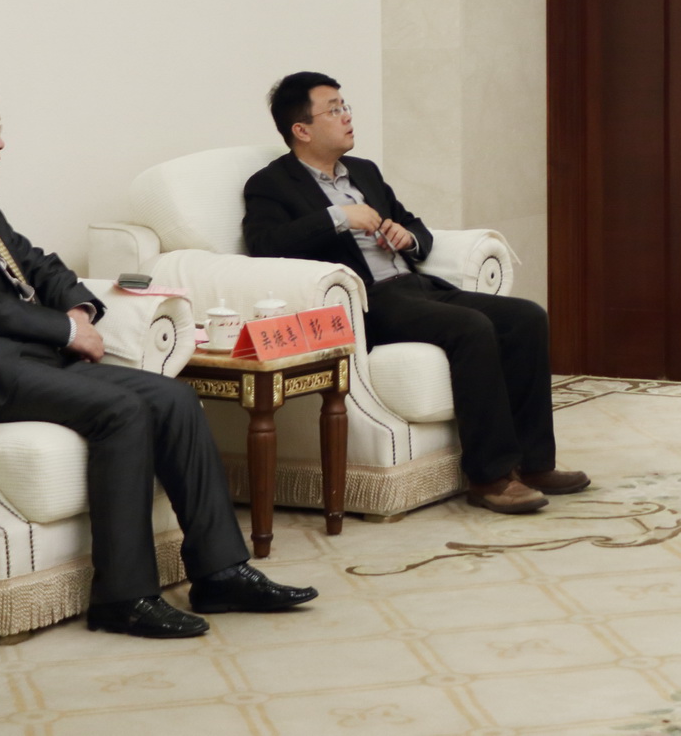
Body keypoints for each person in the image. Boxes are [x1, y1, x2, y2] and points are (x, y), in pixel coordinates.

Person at [0, 76, 316, 639]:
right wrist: (63, 330)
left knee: (174, 398)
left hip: (35, 361)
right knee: (122, 411)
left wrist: (78, 308)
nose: (1, 141)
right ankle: (124, 597)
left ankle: (220, 572)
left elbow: (40, 264)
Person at [242, 73, 583, 515]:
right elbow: (265, 245)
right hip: (369, 302)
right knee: (472, 327)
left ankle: (535, 465)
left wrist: (409, 238)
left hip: (415, 286)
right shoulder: (270, 184)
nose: (347, 116)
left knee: (526, 317)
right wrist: (338, 217)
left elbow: (413, 223)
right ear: (301, 130)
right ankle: (490, 477)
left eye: (346, 106)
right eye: (334, 109)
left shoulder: (364, 171)